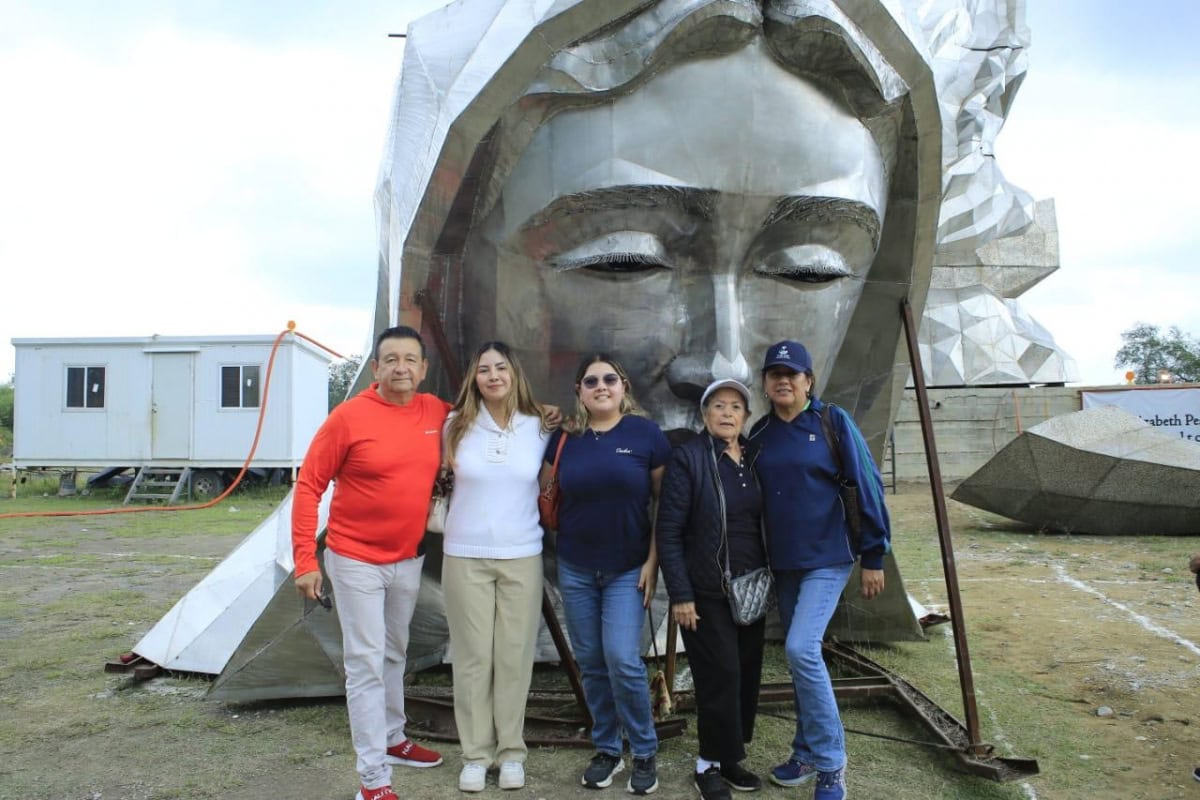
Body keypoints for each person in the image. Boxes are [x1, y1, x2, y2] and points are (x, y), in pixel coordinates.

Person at [291, 325, 446, 800]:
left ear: (423, 368)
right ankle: (373, 780)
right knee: (365, 664)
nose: (401, 368)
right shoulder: (348, 418)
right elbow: (308, 486)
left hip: (408, 558)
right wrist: (305, 561)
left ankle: (394, 738)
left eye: (410, 360)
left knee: (395, 653)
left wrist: (541, 415)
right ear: (375, 368)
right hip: (354, 558)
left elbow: (487, 418)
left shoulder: (436, 411)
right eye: (390, 359)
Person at [747, 340, 891, 800]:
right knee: (799, 657)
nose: (783, 380)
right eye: (775, 374)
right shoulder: (760, 434)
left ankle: (831, 765)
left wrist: (874, 555)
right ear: (766, 385)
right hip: (784, 564)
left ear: (809, 381)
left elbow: (867, 485)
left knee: (800, 648)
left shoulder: (832, 422)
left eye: (793, 373)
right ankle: (805, 751)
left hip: (829, 557)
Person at [541, 354, 671, 795]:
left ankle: (645, 747)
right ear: (579, 390)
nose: (601, 386)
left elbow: (664, 506)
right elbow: (542, 488)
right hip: (575, 567)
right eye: (591, 380)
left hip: (628, 568)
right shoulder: (565, 438)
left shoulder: (646, 435)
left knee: (622, 658)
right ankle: (607, 747)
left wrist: (653, 562)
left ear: (623, 385)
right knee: (592, 663)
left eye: (609, 379)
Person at [440, 342, 552, 793]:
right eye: (483, 369)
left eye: (500, 367)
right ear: (474, 378)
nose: (492, 376)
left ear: (514, 374)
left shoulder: (540, 425)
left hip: (522, 554)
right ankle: (475, 755)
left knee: (513, 658)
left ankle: (510, 754)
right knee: (471, 660)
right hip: (464, 553)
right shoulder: (454, 425)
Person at [656, 378, 767, 800]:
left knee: (745, 675)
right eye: (717, 406)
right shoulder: (689, 459)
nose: (726, 413)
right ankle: (707, 764)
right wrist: (681, 594)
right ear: (704, 415)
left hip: (752, 586)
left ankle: (731, 757)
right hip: (705, 591)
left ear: (745, 417)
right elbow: (669, 531)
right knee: (718, 675)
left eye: (735, 407)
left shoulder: (756, 458)